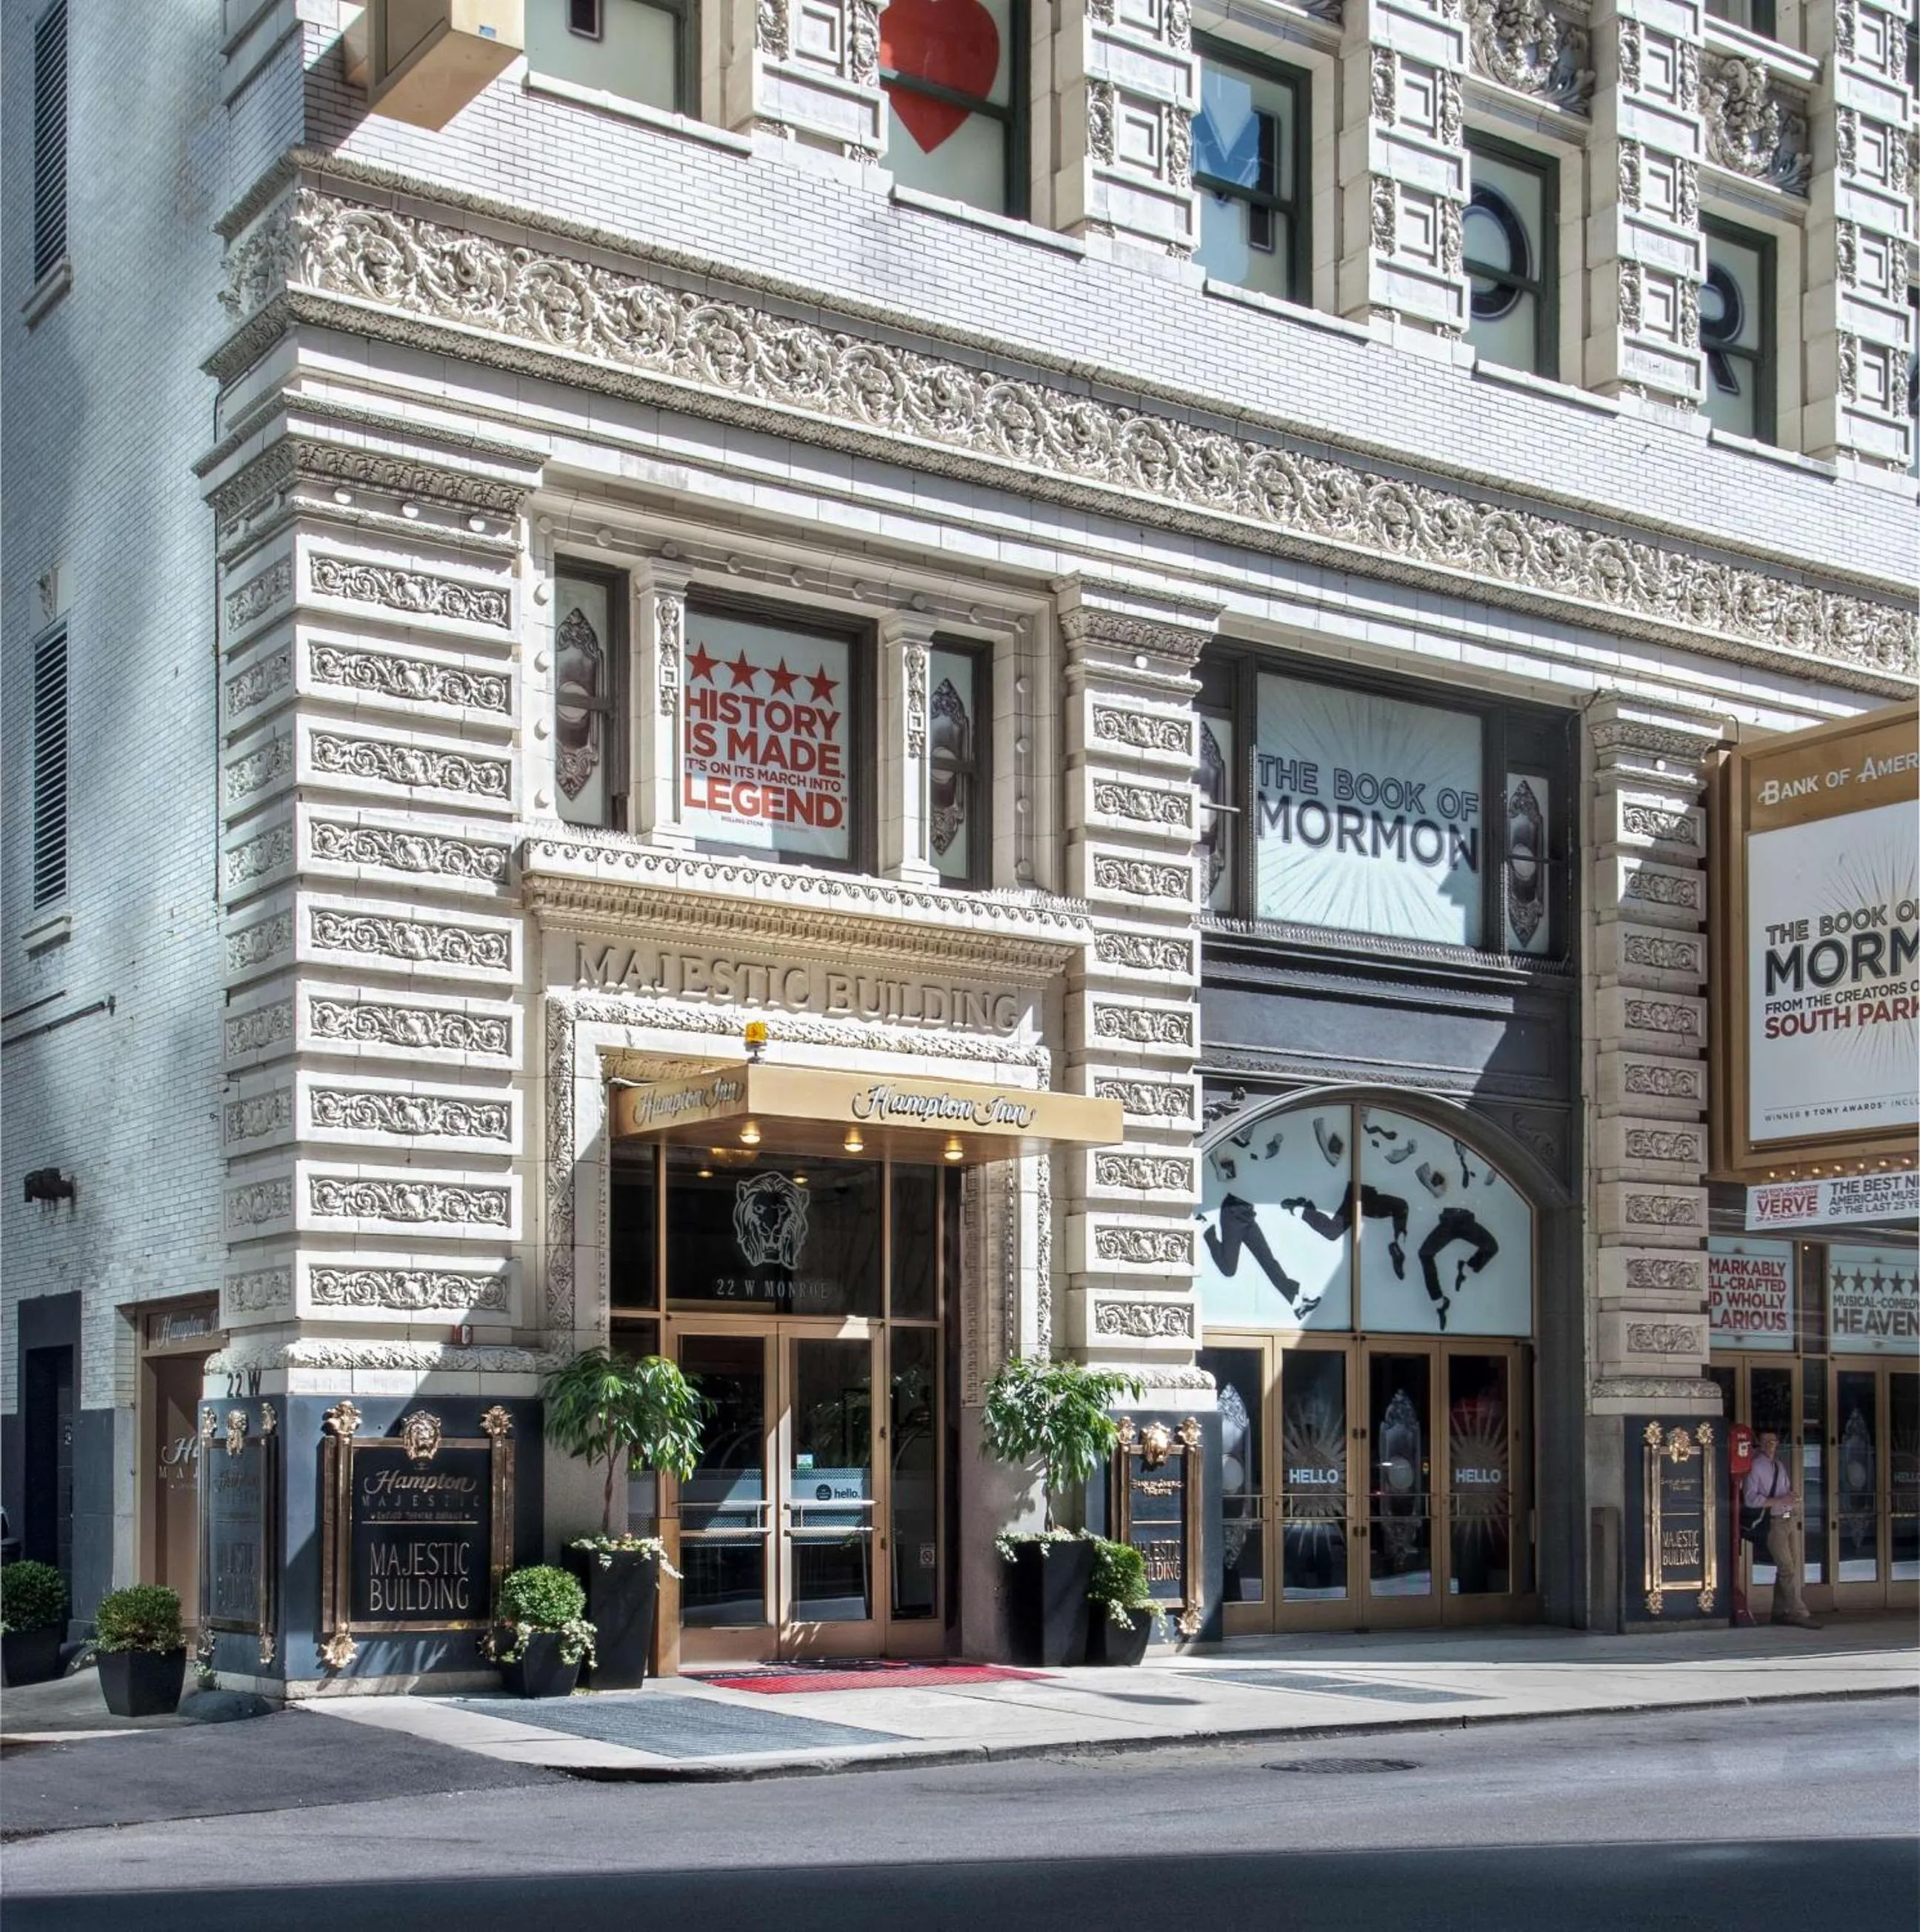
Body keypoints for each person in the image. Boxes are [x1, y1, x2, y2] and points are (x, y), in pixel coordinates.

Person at [1743, 1429, 1821, 1630]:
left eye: (1773, 1441)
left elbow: (1784, 1491)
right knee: (1786, 1568)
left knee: (1789, 1568)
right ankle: (1798, 1612)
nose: (1771, 1444)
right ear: (1759, 1444)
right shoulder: (1755, 1467)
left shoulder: (1778, 1465)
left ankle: (1779, 1612)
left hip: (1787, 1519)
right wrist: (1780, 1500)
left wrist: (1791, 1498)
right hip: (1773, 1522)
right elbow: (1751, 1499)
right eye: (1766, 1441)